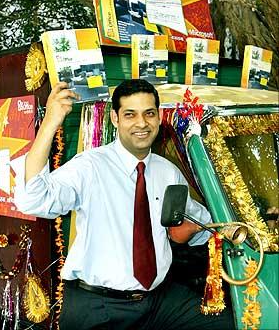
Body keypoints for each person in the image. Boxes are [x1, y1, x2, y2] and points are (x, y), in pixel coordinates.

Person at [15, 79, 235, 330]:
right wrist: (50, 123)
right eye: (130, 114)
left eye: (149, 113)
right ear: (115, 119)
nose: (141, 123)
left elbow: (202, 222)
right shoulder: (89, 166)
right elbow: (33, 200)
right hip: (99, 305)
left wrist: (224, 229)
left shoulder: (168, 173)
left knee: (223, 323)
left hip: (158, 299)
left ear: (159, 116)